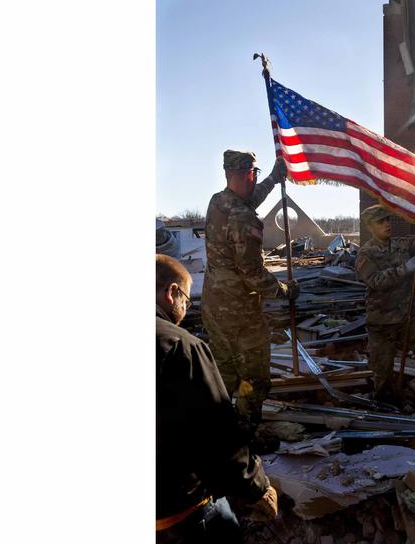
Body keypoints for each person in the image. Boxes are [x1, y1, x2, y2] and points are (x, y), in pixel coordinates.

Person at [156, 254, 278, 543]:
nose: (185, 310)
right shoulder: (179, 346)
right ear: (171, 293)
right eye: (186, 299)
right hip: (178, 511)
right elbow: (218, 433)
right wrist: (256, 488)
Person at [201, 150, 298, 431]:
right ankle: (244, 436)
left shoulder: (218, 202)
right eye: (255, 175)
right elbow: (253, 274)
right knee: (254, 378)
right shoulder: (244, 218)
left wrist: (272, 179)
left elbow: (248, 200)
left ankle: (216, 430)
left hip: (214, 307)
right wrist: (284, 291)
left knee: (224, 372)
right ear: (247, 174)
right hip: (240, 314)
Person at [354, 203, 415, 419]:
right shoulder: (365, 253)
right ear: (370, 226)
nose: (387, 224)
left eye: (388, 219)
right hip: (382, 320)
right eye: (381, 221)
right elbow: (375, 281)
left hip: (409, 315)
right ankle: (385, 409)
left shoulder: (401, 244)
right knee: (382, 371)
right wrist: (405, 269)